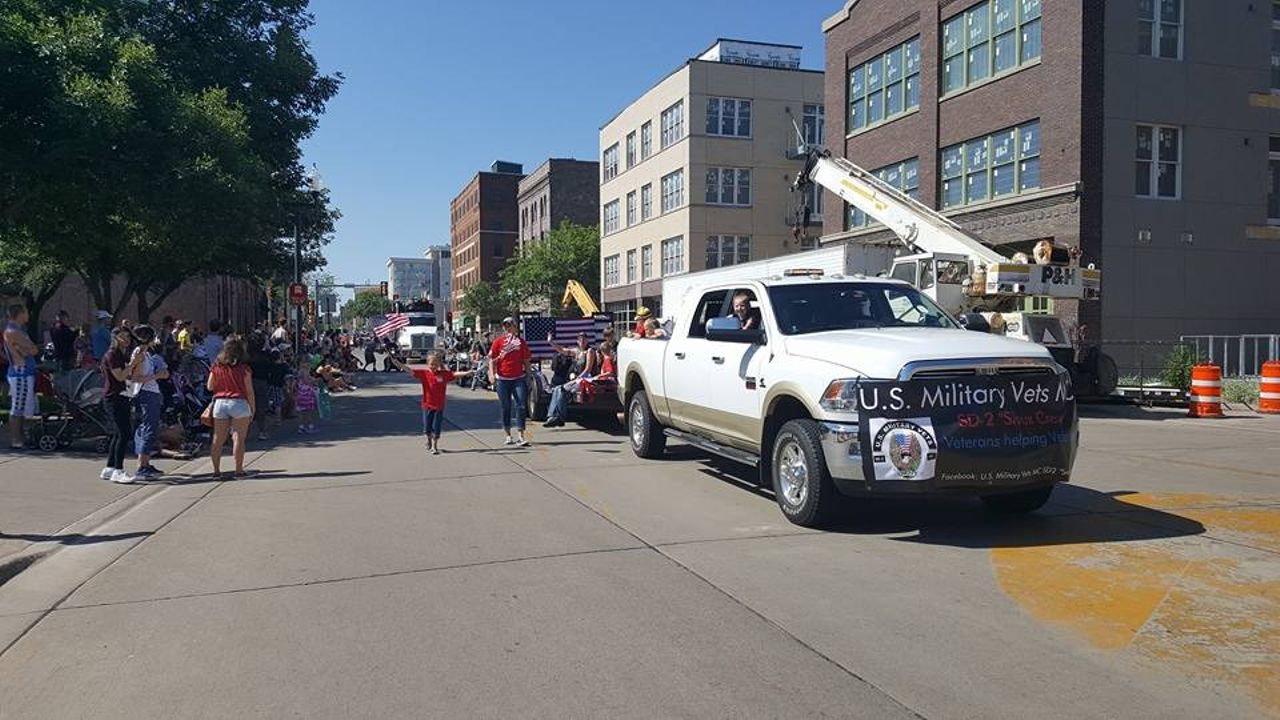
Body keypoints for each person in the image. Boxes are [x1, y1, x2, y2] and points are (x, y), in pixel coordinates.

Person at [393, 351, 473, 455]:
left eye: (435, 364)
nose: (433, 366)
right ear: (428, 364)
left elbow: (454, 374)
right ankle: (429, 439)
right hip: (427, 405)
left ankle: (435, 446)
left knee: (437, 426)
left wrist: (467, 373)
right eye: (431, 364)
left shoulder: (444, 374)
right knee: (427, 427)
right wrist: (398, 364)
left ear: (439, 364)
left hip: (439, 406)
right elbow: (410, 370)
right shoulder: (424, 374)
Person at [206, 337, 256, 478]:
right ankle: (238, 470)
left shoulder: (216, 366)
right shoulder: (244, 369)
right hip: (239, 403)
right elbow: (249, 391)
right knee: (239, 439)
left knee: (217, 439)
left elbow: (209, 386)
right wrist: (252, 408)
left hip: (220, 403)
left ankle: (216, 471)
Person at [127, 325, 169, 479]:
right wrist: (157, 376)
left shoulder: (146, 354)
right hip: (146, 393)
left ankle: (145, 463)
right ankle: (141, 466)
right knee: (149, 428)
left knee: (147, 428)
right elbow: (136, 377)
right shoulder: (140, 353)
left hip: (151, 392)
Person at [100, 327, 141, 483]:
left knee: (118, 433)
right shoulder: (112, 355)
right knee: (124, 433)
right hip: (113, 397)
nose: (127, 340)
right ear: (115, 337)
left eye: (128, 337)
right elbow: (119, 376)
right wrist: (133, 364)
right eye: (123, 337)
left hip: (122, 396)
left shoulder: (120, 354)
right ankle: (118, 470)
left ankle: (109, 468)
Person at [488, 316, 531, 447]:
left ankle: (521, 435)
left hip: (518, 377)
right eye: (505, 326)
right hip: (503, 379)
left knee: (521, 406)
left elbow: (526, 360)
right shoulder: (498, 342)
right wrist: (491, 374)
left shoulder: (521, 342)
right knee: (505, 406)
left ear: (515, 327)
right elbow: (491, 359)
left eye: (510, 325)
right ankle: (508, 435)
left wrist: (528, 375)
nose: (507, 328)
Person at [543, 332, 599, 428]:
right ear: (577, 341)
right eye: (580, 339)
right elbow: (562, 350)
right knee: (557, 389)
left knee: (561, 389)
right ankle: (553, 416)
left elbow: (588, 369)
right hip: (578, 379)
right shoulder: (576, 352)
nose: (582, 341)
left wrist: (578, 378)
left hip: (586, 379)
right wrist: (550, 342)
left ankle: (558, 417)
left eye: (584, 339)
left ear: (587, 340)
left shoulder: (590, 351)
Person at [3, 305, 39, 450]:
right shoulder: (12, 331)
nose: (28, 314)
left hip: (25, 372)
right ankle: (16, 440)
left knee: (22, 407)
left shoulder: (18, 331)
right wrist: (27, 349)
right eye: (25, 312)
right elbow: (33, 349)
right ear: (20, 314)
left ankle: (22, 437)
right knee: (17, 407)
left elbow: (31, 349)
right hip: (20, 372)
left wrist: (26, 349)